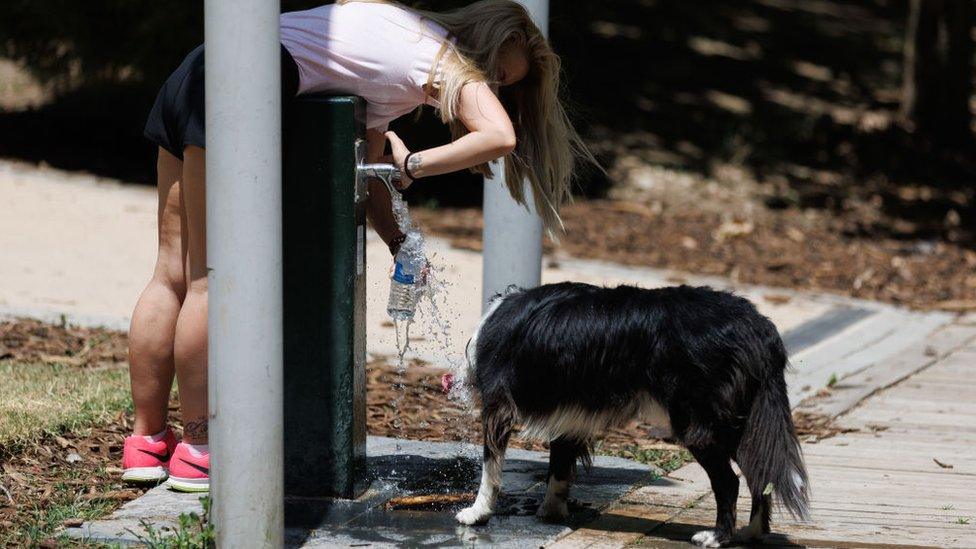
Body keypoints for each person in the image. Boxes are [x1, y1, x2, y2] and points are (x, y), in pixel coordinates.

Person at [122, 0, 596, 492]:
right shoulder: (440, 57)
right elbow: (499, 135)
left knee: (170, 276)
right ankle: (199, 452)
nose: (492, 88)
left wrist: (398, 241)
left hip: (202, 66)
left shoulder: (396, 56)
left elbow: (367, 179)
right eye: (497, 73)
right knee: (205, 281)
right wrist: (415, 167)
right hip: (240, 82)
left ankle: (146, 442)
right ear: (486, 45)